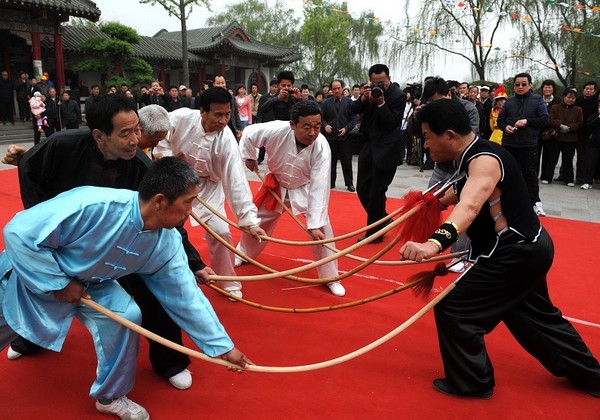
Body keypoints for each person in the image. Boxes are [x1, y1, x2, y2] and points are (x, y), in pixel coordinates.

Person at [0, 157, 251, 419]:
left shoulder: (167, 243)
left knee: (125, 317)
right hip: (34, 270)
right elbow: (19, 233)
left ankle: (110, 396)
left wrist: (222, 347)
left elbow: (186, 296)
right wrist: (58, 283)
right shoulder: (93, 204)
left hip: (93, 283)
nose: (191, 212)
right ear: (160, 201)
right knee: (5, 319)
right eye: (187, 202)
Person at [6, 94, 210, 392]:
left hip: (118, 242)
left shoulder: (140, 167)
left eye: (137, 131)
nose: (135, 140)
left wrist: (194, 262)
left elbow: (166, 220)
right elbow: (29, 171)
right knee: (32, 285)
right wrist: (46, 225)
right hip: (60, 236)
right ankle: (29, 338)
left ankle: (170, 360)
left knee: (153, 290)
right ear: (99, 135)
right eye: (126, 133)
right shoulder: (61, 144)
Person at [400, 98, 600, 399]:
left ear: (450, 135)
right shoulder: (473, 154)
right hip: (529, 248)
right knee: (535, 318)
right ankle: (592, 377)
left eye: (428, 136)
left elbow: (470, 204)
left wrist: (433, 244)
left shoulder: (484, 160)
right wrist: (430, 204)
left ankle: (472, 382)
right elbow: (462, 190)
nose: (426, 145)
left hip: (514, 253)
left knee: (455, 308)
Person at [153, 87, 266, 300]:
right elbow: (160, 137)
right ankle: (162, 274)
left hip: (207, 189)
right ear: (202, 111)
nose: (223, 120)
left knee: (221, 232)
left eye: (227, 114)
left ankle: (228, 282)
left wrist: (249, 221)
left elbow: (236, 182)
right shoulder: (179, 117)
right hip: (173, 181)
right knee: (164, 228)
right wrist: (168, 159)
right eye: (218, 114)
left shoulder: (227, 141)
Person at [236, 100, 346, 297]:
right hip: (276, 184)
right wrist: (249, 156)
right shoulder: (276, 129)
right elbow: (249, 134)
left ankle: (330, 277)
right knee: (258, 221)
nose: (313, 132)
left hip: (303, 188)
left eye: (317, 126)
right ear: (292, 124)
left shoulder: (321, 147)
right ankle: (244, 251)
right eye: (307, 127)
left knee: (322, 230)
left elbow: (320, 186)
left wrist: (313, 224)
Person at [351, 64, 406, 242]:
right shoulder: (368, 94)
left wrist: (381, 103)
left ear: (389, 78)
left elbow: (392, 123)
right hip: (368, 145)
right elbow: (353, 110)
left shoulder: (398, 96)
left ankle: (374, 234)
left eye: (382, 82)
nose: (379, 86)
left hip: (388, 149)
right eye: (375, 83)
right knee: (362, 189)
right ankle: (383, 218)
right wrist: (363, 99)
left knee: (377, 192)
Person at [498, 72, 549, 217]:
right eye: (517, 84)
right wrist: (505, 127)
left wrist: (527, 121)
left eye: (523, 84)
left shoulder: (537, 100)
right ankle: (508, 201)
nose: (520, 87)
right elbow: (501, 120)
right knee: (507, 174)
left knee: (529, 174)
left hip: (528, 144)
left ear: (530, 85)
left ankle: (535, 202)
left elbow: (544, 119)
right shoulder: (509, 101)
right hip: (509, 143)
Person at [541, 88, 583, 186]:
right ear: (564, 97)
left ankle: (568, 179)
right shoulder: (555, 107)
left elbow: (580, 123)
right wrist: (560, 125)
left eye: (573, 98)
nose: (570, 100)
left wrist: (570, 127)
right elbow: (550, 120)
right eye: (568, 97)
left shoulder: (578, 109)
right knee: (552, 158)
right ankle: (547, 177)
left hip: (570, 138)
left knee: (568, 160)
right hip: (556, 137)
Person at [321, 79, 357, 191]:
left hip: (344, 137)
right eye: (334, 88)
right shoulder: (326, 103)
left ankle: (349, 183)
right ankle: (330, 183)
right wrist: (325, 125)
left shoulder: (349, 102)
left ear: (342, 88)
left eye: (338, 88)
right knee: (330, 162)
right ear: (331, 90)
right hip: (331, 137)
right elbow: (321, 118)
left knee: (346, 161)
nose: (336, 90)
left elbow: (353, 119)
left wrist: (346, 129)